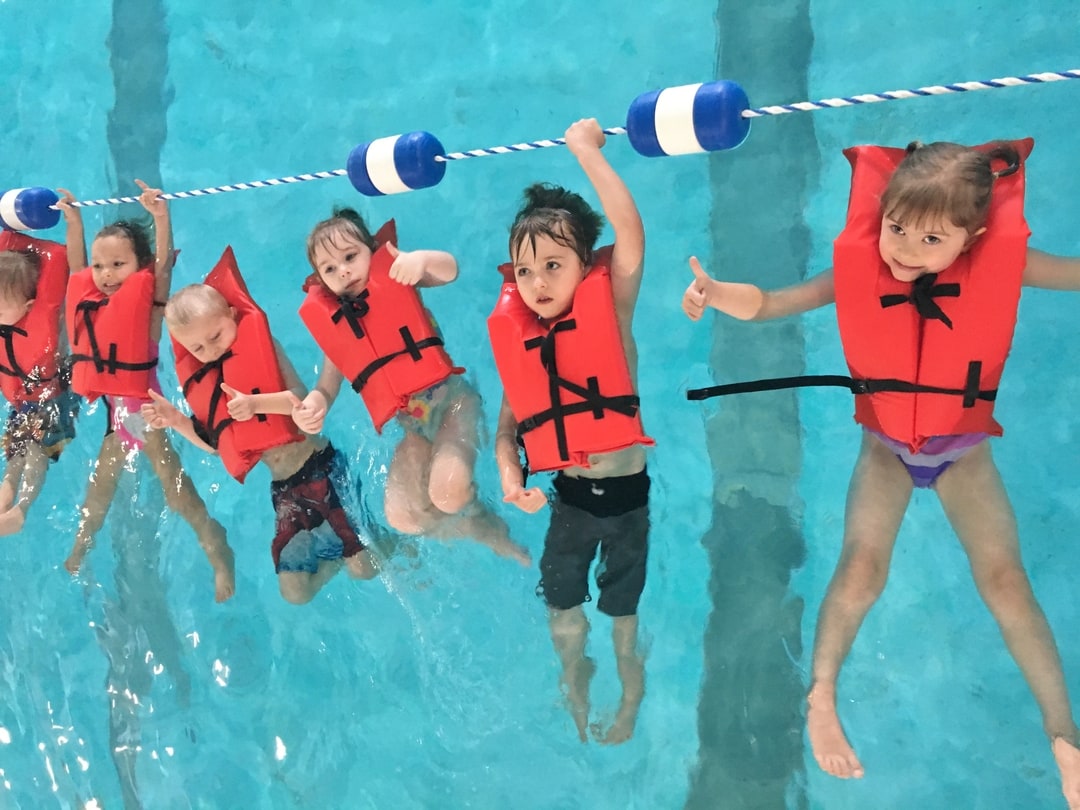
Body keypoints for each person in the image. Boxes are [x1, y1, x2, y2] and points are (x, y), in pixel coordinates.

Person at [682, 139, 1080, 808]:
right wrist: (718, 293)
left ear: (972, 239)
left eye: (931, 238)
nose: (905, 248)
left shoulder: (1004, 266)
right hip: (885, 453)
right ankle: (822, 695)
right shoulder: (860, 268)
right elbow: (775, 303)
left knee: (1007, 584)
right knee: (861, 568)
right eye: (895, 226)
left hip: (964, 456)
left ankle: (1064, 736)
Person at [489, 118, 652, 745]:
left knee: (621, 617)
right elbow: (509, 434)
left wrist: (585, 152)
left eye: (555, 265)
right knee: (563, 611)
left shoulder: (612, 307)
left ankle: (629, 691)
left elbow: (630, 231)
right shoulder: (524, 347)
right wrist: (511, 481)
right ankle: (573, 683)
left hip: (629, 501)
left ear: (587, 267)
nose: (539, 284)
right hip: (569, 502)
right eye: (525, 273)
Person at [140, 246, 379, 604]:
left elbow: (298, 403)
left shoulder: (265, 348)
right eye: (199, 348)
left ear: (233, 316)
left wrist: (255, 404)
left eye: (217, 336)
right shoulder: (210, 383)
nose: (211, 350)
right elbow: (219, 445)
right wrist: (176, 422)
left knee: (366, 569)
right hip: (285, 491)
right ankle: (342, 558)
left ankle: (381, 547)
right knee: (295, 593)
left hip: (320, 467)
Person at [294, 208, 529, 565]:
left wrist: (419, 261)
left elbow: (449, 269)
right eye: (330, 269)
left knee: (447, 494)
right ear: (322, 281)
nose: (343, 270)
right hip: (414, 428)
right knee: (402, 517)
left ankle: (480, 517)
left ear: (372, 253)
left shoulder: (399, 276)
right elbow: (327, 386)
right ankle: (473, 527)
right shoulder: (339, 327)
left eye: (350, 257)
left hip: (453, 404)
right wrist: (315, 403)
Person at [59, 183, 236, 603]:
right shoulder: (90, 299)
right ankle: (81, 547)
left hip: (148, 413)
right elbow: (75, 269)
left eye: (118, 264)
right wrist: (74, 221)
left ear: (139, 266)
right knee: (98, 489)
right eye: (101, 266)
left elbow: (163, 271)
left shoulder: (150, 309)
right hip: (115, 418)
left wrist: (161, 216)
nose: (105, 274)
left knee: (177, 494)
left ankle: (216, 549)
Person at [0, 229, 80, 534]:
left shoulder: (47, 318)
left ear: (29, 306)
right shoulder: (7, 321)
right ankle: (6, 490)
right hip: (23, 402)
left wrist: (72, 220)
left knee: (36, 452)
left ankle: (22, 507)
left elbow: (66, 260)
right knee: (16, 450)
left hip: (54, 399)